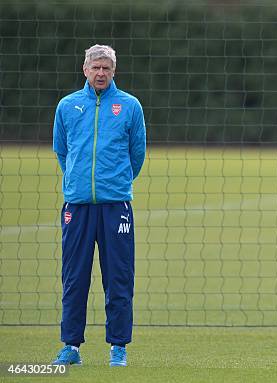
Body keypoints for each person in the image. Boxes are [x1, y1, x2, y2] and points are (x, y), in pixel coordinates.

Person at [51, 44, 146, 367]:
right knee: (74, 278)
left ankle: (118, 347)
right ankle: (71, 347)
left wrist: (114, 183)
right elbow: (62, 151)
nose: (101, 73)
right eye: (96, 67)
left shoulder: (130, 106)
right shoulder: (67, 106)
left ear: (114, 70)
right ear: (85, 69)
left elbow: (137, 155)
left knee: (118, 278)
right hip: (76, 206)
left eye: (106, 67)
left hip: (115, 205)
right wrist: (79, 181)